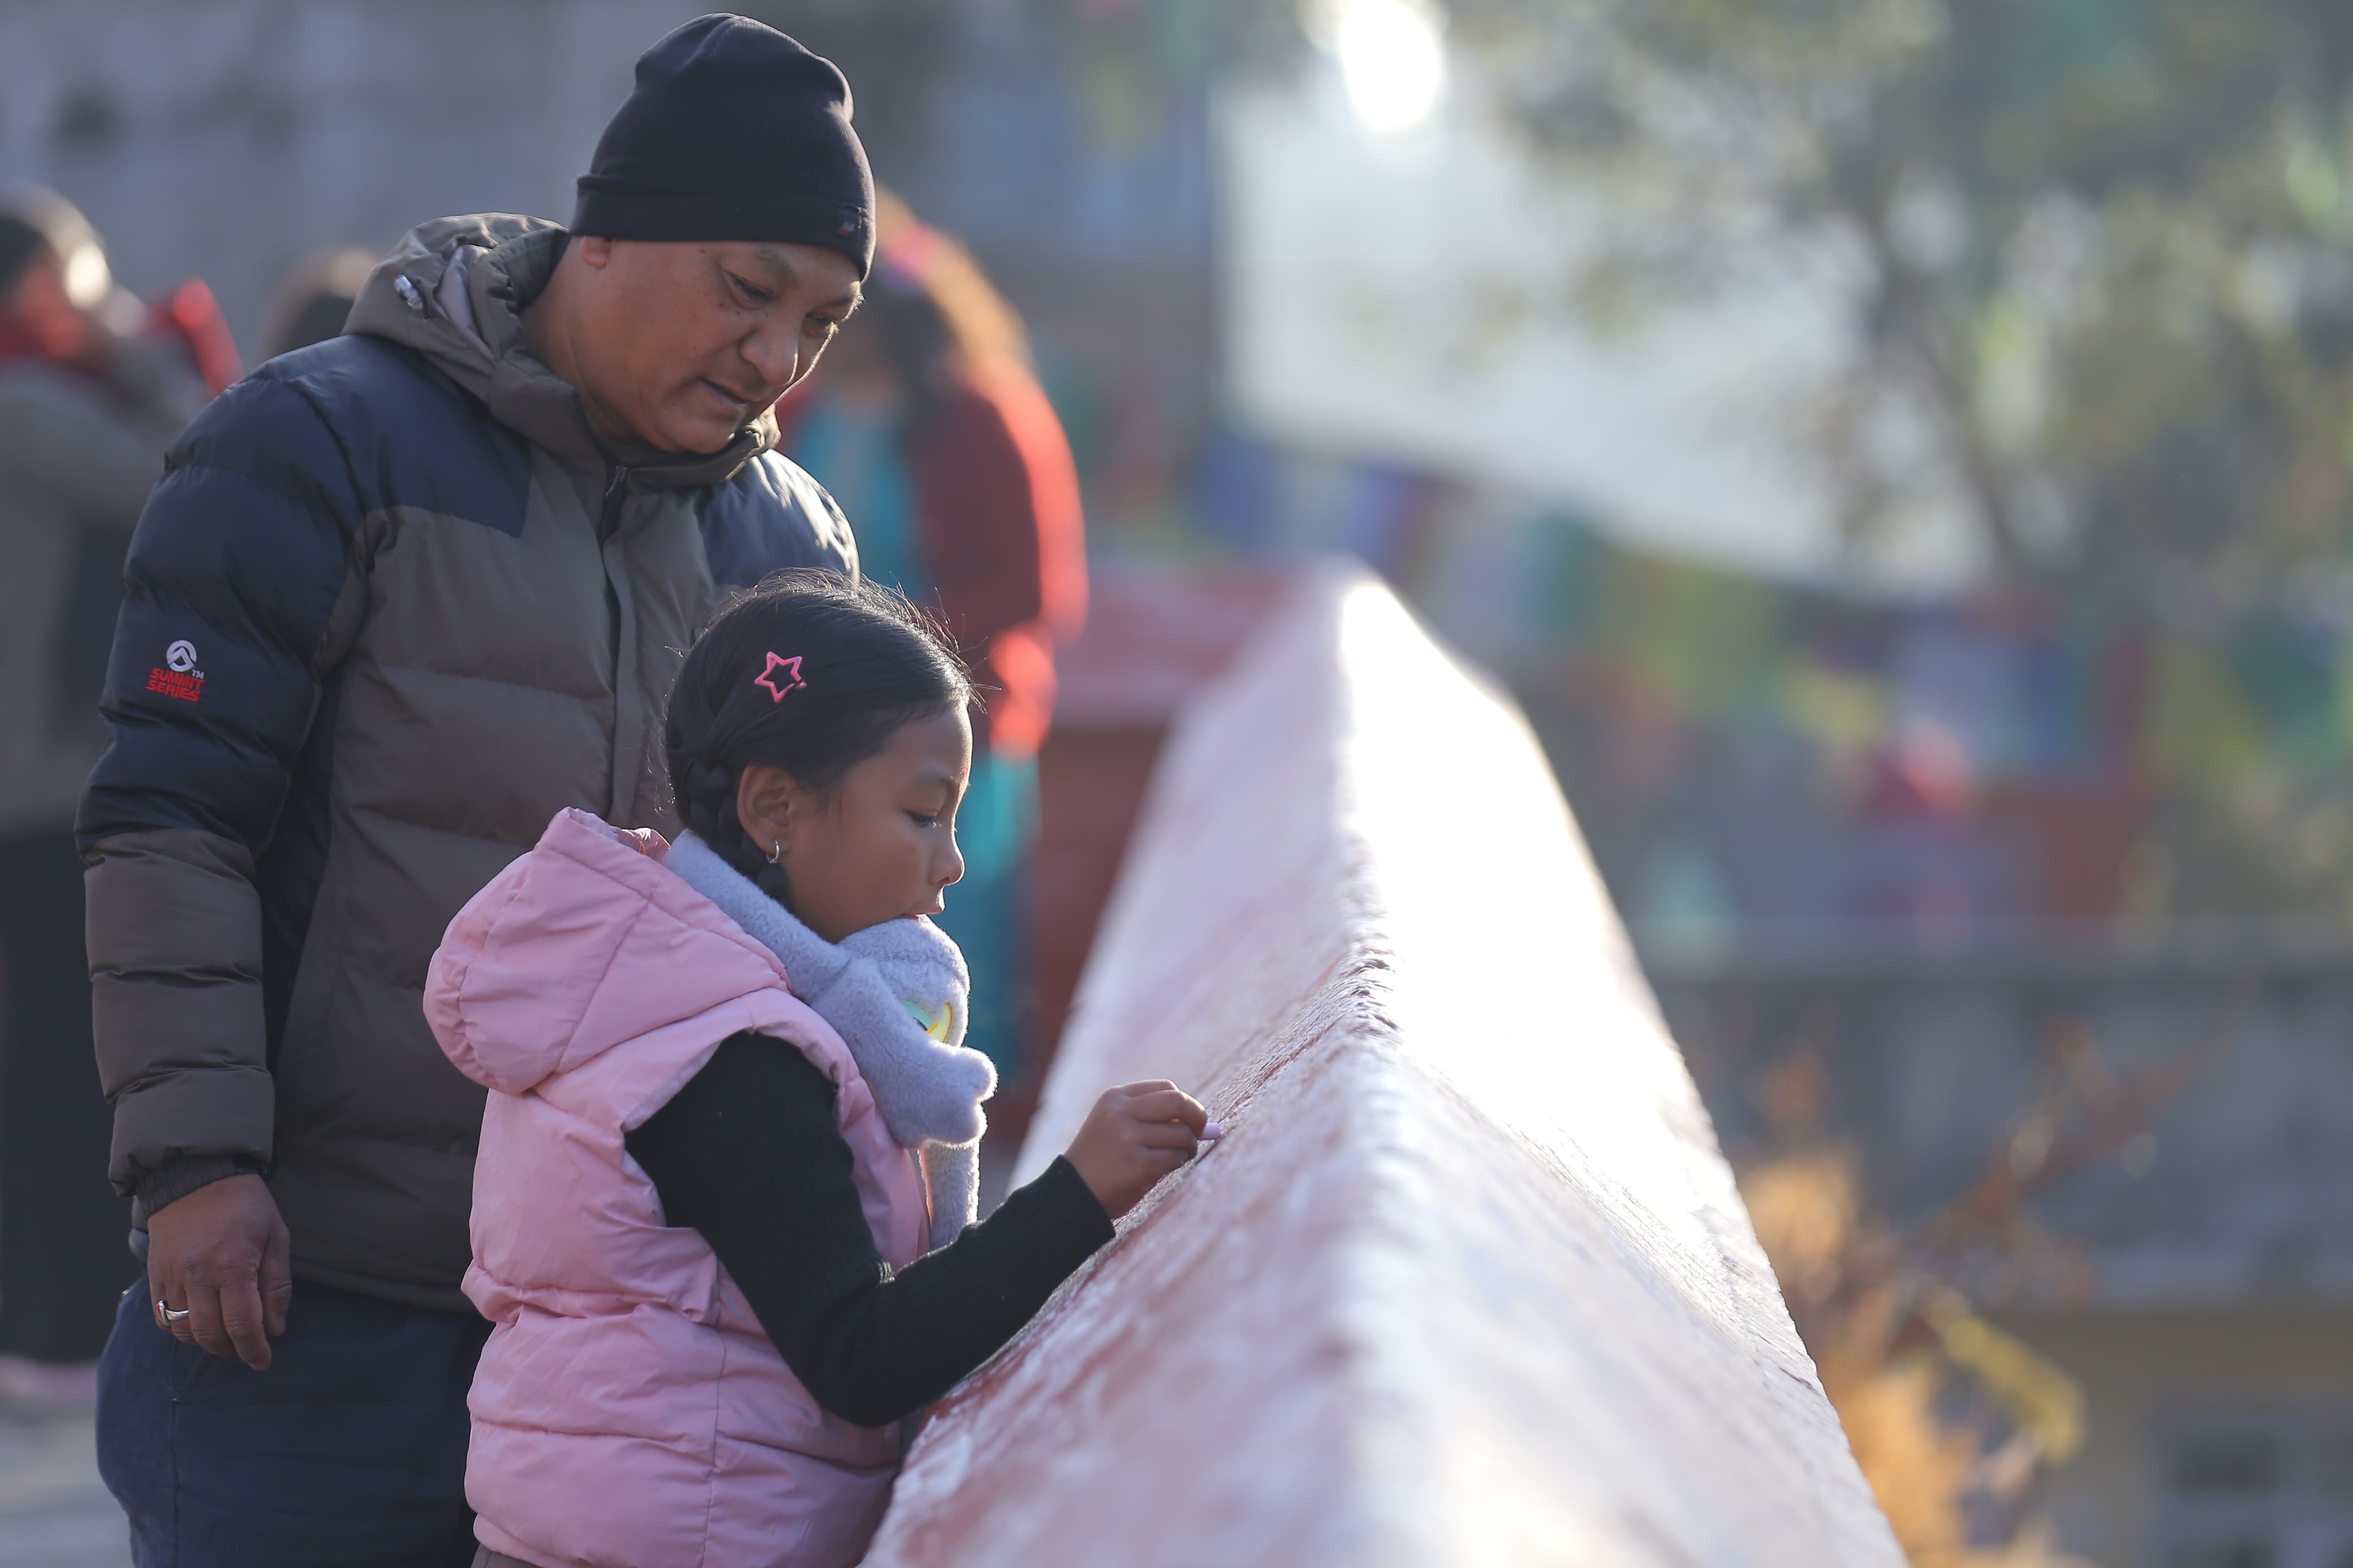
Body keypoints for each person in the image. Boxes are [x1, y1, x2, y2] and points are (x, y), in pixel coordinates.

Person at [80, 16, 878, 1565]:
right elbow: (173, 819)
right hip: (312, 1312)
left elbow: (812, 936)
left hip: (636, 1343)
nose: (778, 356)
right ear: (608, 238)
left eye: (822, 319)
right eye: (746, 288)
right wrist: (198, 1166)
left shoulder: (790, 550)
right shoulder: (315, 444)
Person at [429, 572, 1211, 1568]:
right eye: (923, 814)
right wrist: (1076, 1195)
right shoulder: (729, 1059)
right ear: (775, 808)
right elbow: (860, 1354)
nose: (954, 861)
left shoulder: (682, 989)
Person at [778, 189, 1085, 1079]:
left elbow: (1037, 592)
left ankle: (970, 1137)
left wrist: (893, 639)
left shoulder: (985, 417)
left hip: (962, 732)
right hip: (826, 727)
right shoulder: (802, 408)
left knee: (959, 947)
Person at [0, 187, 213, 1405]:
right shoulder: (29, 403)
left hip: (25, 786)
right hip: (43, 784)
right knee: (69, 1064)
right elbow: (189, 463)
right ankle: (58, 1328)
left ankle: (41, 1320)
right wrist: (138, 353)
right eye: (85, 279)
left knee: (40, 1052)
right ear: (41, 290)